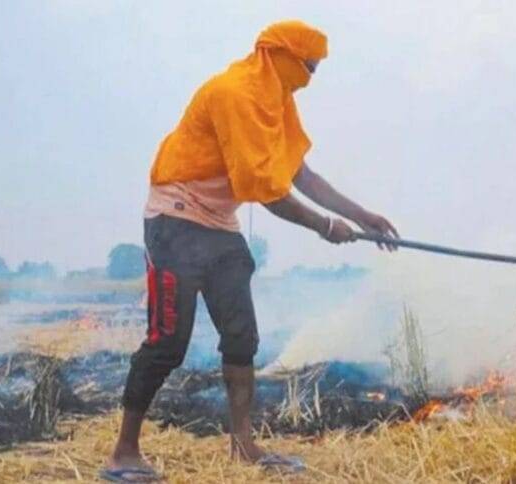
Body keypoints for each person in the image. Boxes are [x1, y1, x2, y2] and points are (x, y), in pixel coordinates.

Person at [102, 20, 398, 482]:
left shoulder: (277, 101)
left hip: (219, 224)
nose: (310, 78)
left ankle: (243, 446)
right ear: (279, 55)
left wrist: (364, 217)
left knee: (242, 338)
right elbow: (263, 188)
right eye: (308, 66)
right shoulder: (235, 93)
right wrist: (324, 226)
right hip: (175, 218)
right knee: (168, 343)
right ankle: (123, 453)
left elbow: (300, 174)